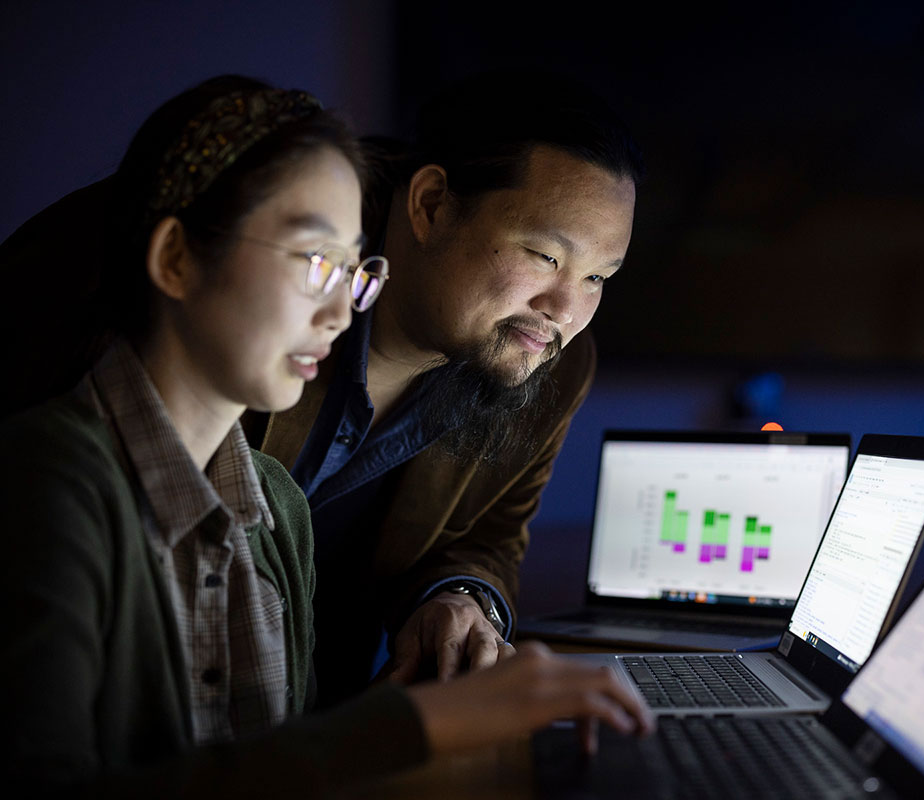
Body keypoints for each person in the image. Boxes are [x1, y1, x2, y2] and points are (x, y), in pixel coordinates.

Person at [0, 76, 649, 796]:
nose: (565, 309)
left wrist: (458, 605)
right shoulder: (54, 477)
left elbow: (485, 538)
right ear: (428, 206)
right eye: (546, 256)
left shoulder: (270, 503)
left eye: (598, 277)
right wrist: (414, 726)